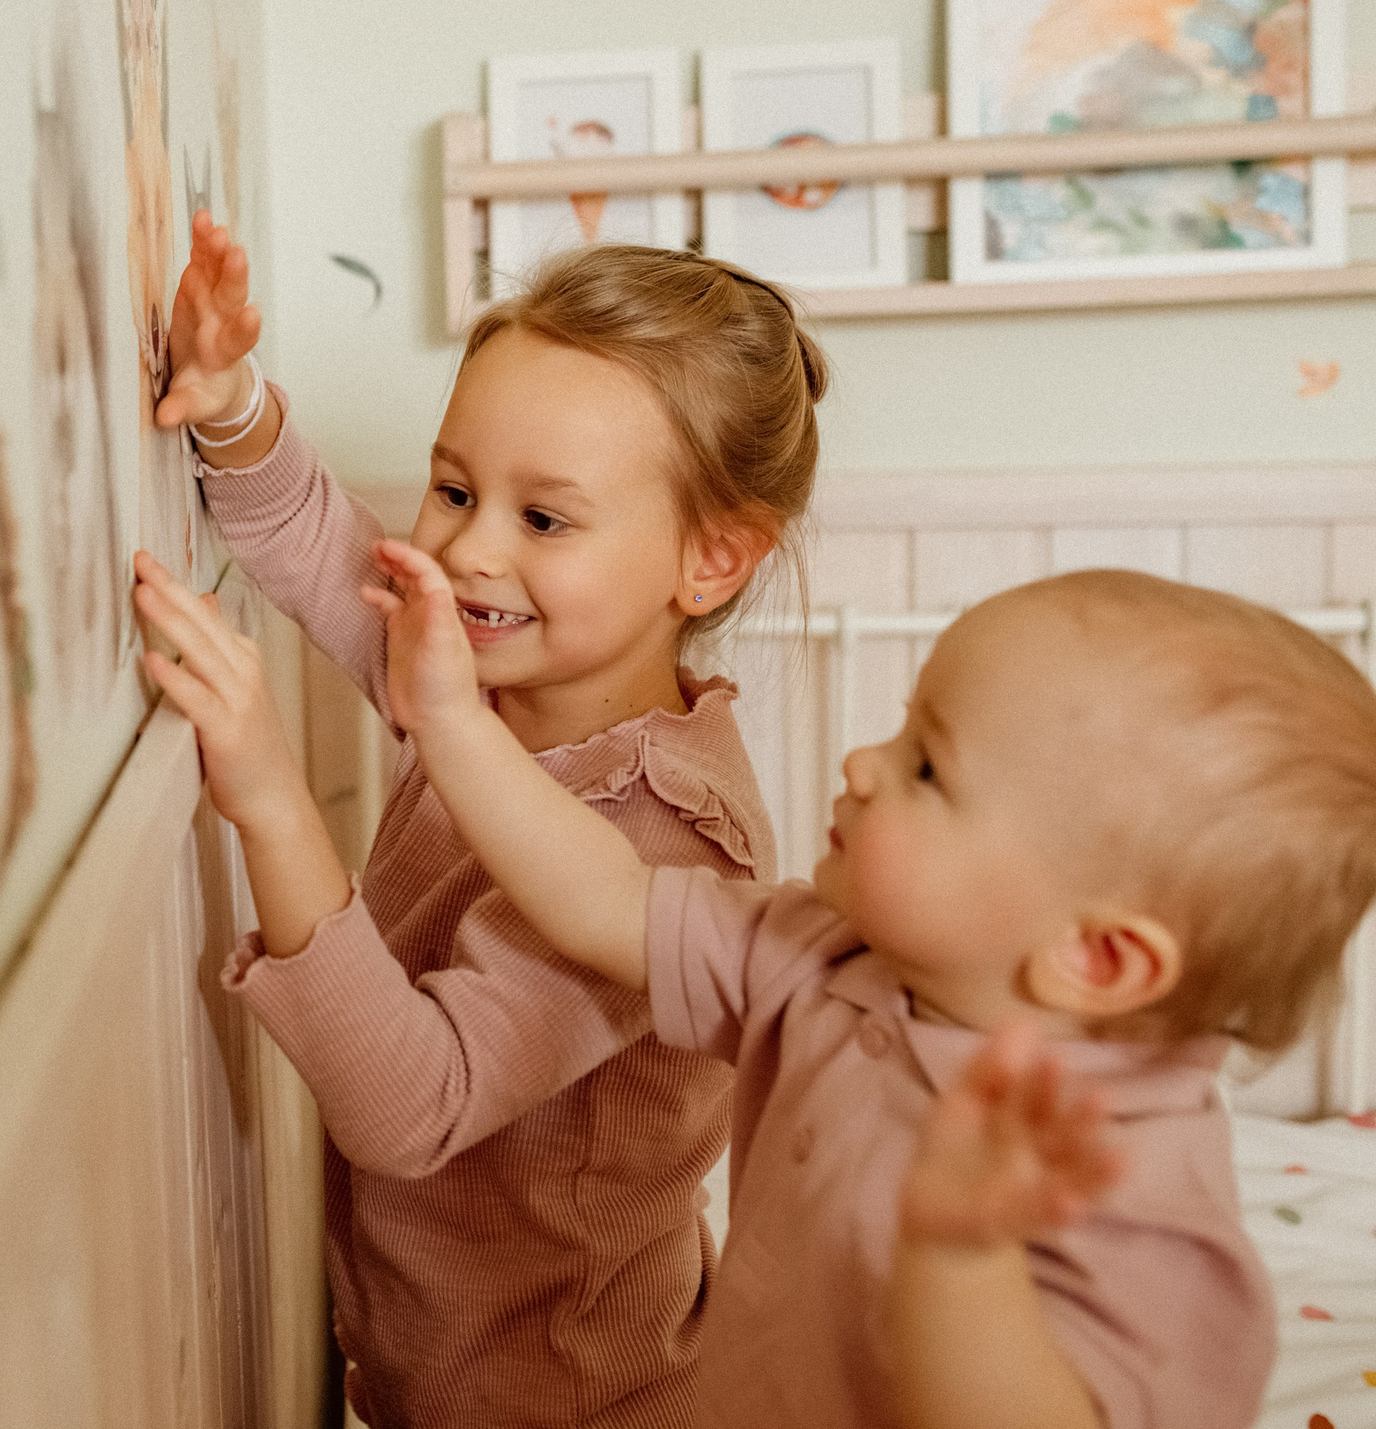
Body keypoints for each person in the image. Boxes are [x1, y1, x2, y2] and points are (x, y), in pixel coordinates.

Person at [299, 552, 1376, 1428]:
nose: (863, 760)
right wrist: (453, 725)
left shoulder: (1122, 1189)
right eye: (903, 729)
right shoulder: (820, 960)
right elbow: (607, 898)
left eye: (925, 768)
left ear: (1094, 958)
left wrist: (964, 1257)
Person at [133, 213, 825, 1427]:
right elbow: (313, 539)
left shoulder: (663, 840)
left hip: (585, 1406)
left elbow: (416, 1106)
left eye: (543, 520)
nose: (463, 550)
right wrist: (229, 402)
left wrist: (270, 802)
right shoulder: (489, 682)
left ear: (709, 562)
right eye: (453, 488)